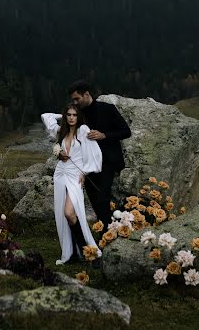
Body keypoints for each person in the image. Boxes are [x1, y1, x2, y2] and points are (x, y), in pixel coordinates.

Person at [41, 104, 102, 265]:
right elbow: (46, 115)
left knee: (70, 213)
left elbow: (95, 153)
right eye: (68, 114)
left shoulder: (83, 131)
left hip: (75, 176)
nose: (71, 117)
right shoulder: (61, 133)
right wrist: (60, 154)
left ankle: (89, 252)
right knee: (64, 214)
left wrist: (84, 173)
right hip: (60, 174)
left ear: (79, 116)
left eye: (75, 114)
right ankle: (74, 253)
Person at [68, 80, 131, 231]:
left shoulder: (107, 109)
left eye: (77, 98)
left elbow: (126, 131)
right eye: (73, 99)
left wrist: (104, 135)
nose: (75, 102)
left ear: (87, 94)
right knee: (96, 203)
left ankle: (108, 234)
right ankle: (107, 233)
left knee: (102, 200)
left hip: (107, 163)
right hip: (86, 165)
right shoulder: (77, 113)